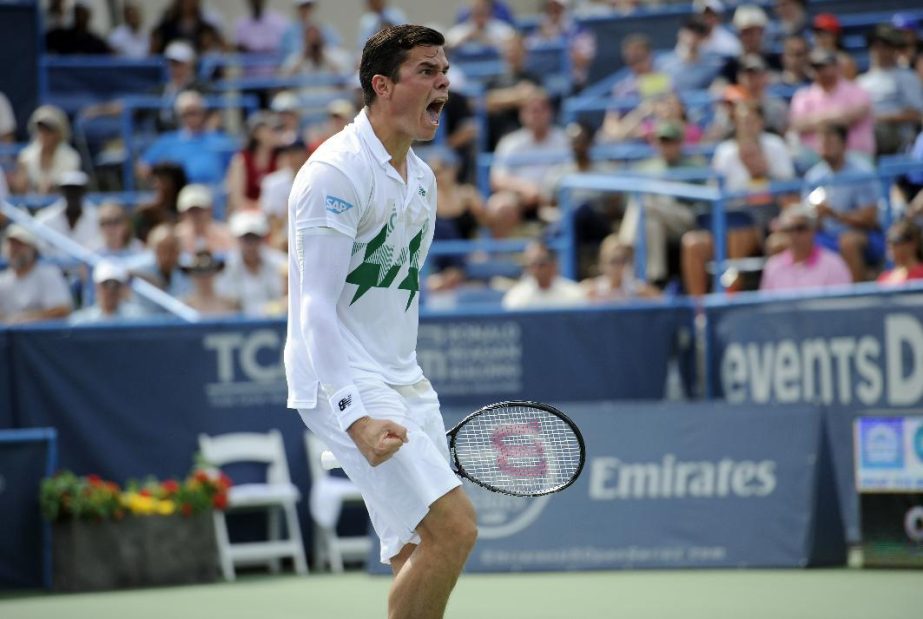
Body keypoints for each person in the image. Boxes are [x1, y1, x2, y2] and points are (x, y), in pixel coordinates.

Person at [284, 25, 476, 619]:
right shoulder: (335, 173)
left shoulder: (421, 179)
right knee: (456, 529)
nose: (442, 81)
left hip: (402, 376)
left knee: (419, 551)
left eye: (443, 69)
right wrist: (353, 414)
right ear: (382, 85)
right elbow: (315, 305)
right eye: (426, 70)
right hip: (342, 375)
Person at [802, 123, 883, 282]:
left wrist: (833, 214)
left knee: (848, 242)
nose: (825, 146)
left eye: (830, 141)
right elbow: (807, 217)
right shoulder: (813, 176)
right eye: (822, 142)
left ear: (844, 144)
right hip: (825, 235)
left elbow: (869, 219)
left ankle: (856, 297)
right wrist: (815, 217)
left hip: (866, 235)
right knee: (788, 241)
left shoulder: (862, 172)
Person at [788, 48, 875, 161]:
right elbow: (797, 124)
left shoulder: (856, 90)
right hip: (816, 157)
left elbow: (859, 112)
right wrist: (836, 116)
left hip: (854, 154)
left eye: (826, 66)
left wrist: (817, 120)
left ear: (837, 67)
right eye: (818, 67)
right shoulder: (803, 96)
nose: (823, 71)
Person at [759, 206, 852, 291]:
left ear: (813, 230)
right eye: (789, 229)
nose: (794, 235)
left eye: (800, 228)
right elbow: (767, 306)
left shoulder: (834, 264)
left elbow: (842, 304)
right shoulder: (772, 267)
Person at [216, 211, 287, 316]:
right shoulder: (225, 267)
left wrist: (280, 305)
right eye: (246, 238)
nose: (250, 244)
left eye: (255, 238)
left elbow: (290, 297)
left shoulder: (280, 262)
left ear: (262, 239)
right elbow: (226, 303)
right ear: (237, 239)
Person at [0, 224, 73, 324]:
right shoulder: (3, 281)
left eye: (20, 245)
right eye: (11, 244)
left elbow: (62, 310)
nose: (14, 249)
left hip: (45, 338)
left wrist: (25, 319)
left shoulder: (48, 274)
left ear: (33, 249)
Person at [11, 105, 81, 195]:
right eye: (41, 129)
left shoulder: (72, 157)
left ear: (58, 133)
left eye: (49, 130)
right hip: (30, 207)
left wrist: (54, 188)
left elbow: (71, 191)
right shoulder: (26, 156)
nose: (44, 134)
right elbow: (19, 191)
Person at [34, 171, 102, 258]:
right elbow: (43, 248)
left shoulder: (98, 218)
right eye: (68, 190)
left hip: (89, 269)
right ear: (61, 192)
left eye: (77, 190)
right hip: (55, 269)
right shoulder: (45, 219)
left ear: (84, 192)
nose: (72, 195)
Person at [502, 240, 585, 309]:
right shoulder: (517, 297)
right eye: (532, 265)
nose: (536, 270)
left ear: (553, 265)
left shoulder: (574, 294)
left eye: (541, 264)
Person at [225, 111, 279, 214]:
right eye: (271, 130)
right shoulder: (240, 160)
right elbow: (237, 200)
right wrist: (259, 208)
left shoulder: (280, 159)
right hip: (246, 214)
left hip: (273, 215)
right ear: (257, 133)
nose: (276, 134)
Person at [581, 234, 661, 302]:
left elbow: (661, 300)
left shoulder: (636, 289)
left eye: (623, 260)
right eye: (613, 260)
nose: (618, 266)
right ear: (602, 263)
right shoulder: (592, 290)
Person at [69, 261, 147, 325]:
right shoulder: (80, 321)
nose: (110, 290)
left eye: (116, 284)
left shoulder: (138, 318)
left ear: (122, 287)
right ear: (97, 287)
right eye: (105, 284)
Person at [173, 183, 235, 255]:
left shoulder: (225, 235)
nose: (196, 215)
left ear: (210, 210)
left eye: (200, 210)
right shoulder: (175, 237)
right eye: (191, 211)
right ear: (182, 213)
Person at [180, 250, 239, 315]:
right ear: (192, 275)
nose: (204, 277)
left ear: (215, 272)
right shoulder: (182, 306)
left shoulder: (231, 304)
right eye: (199, 272)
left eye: (208, 271)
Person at [878, 219, 923, 285]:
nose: (891, 246)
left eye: (896, 240)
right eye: (888, 241)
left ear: (913, 243)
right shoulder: (884, 278)